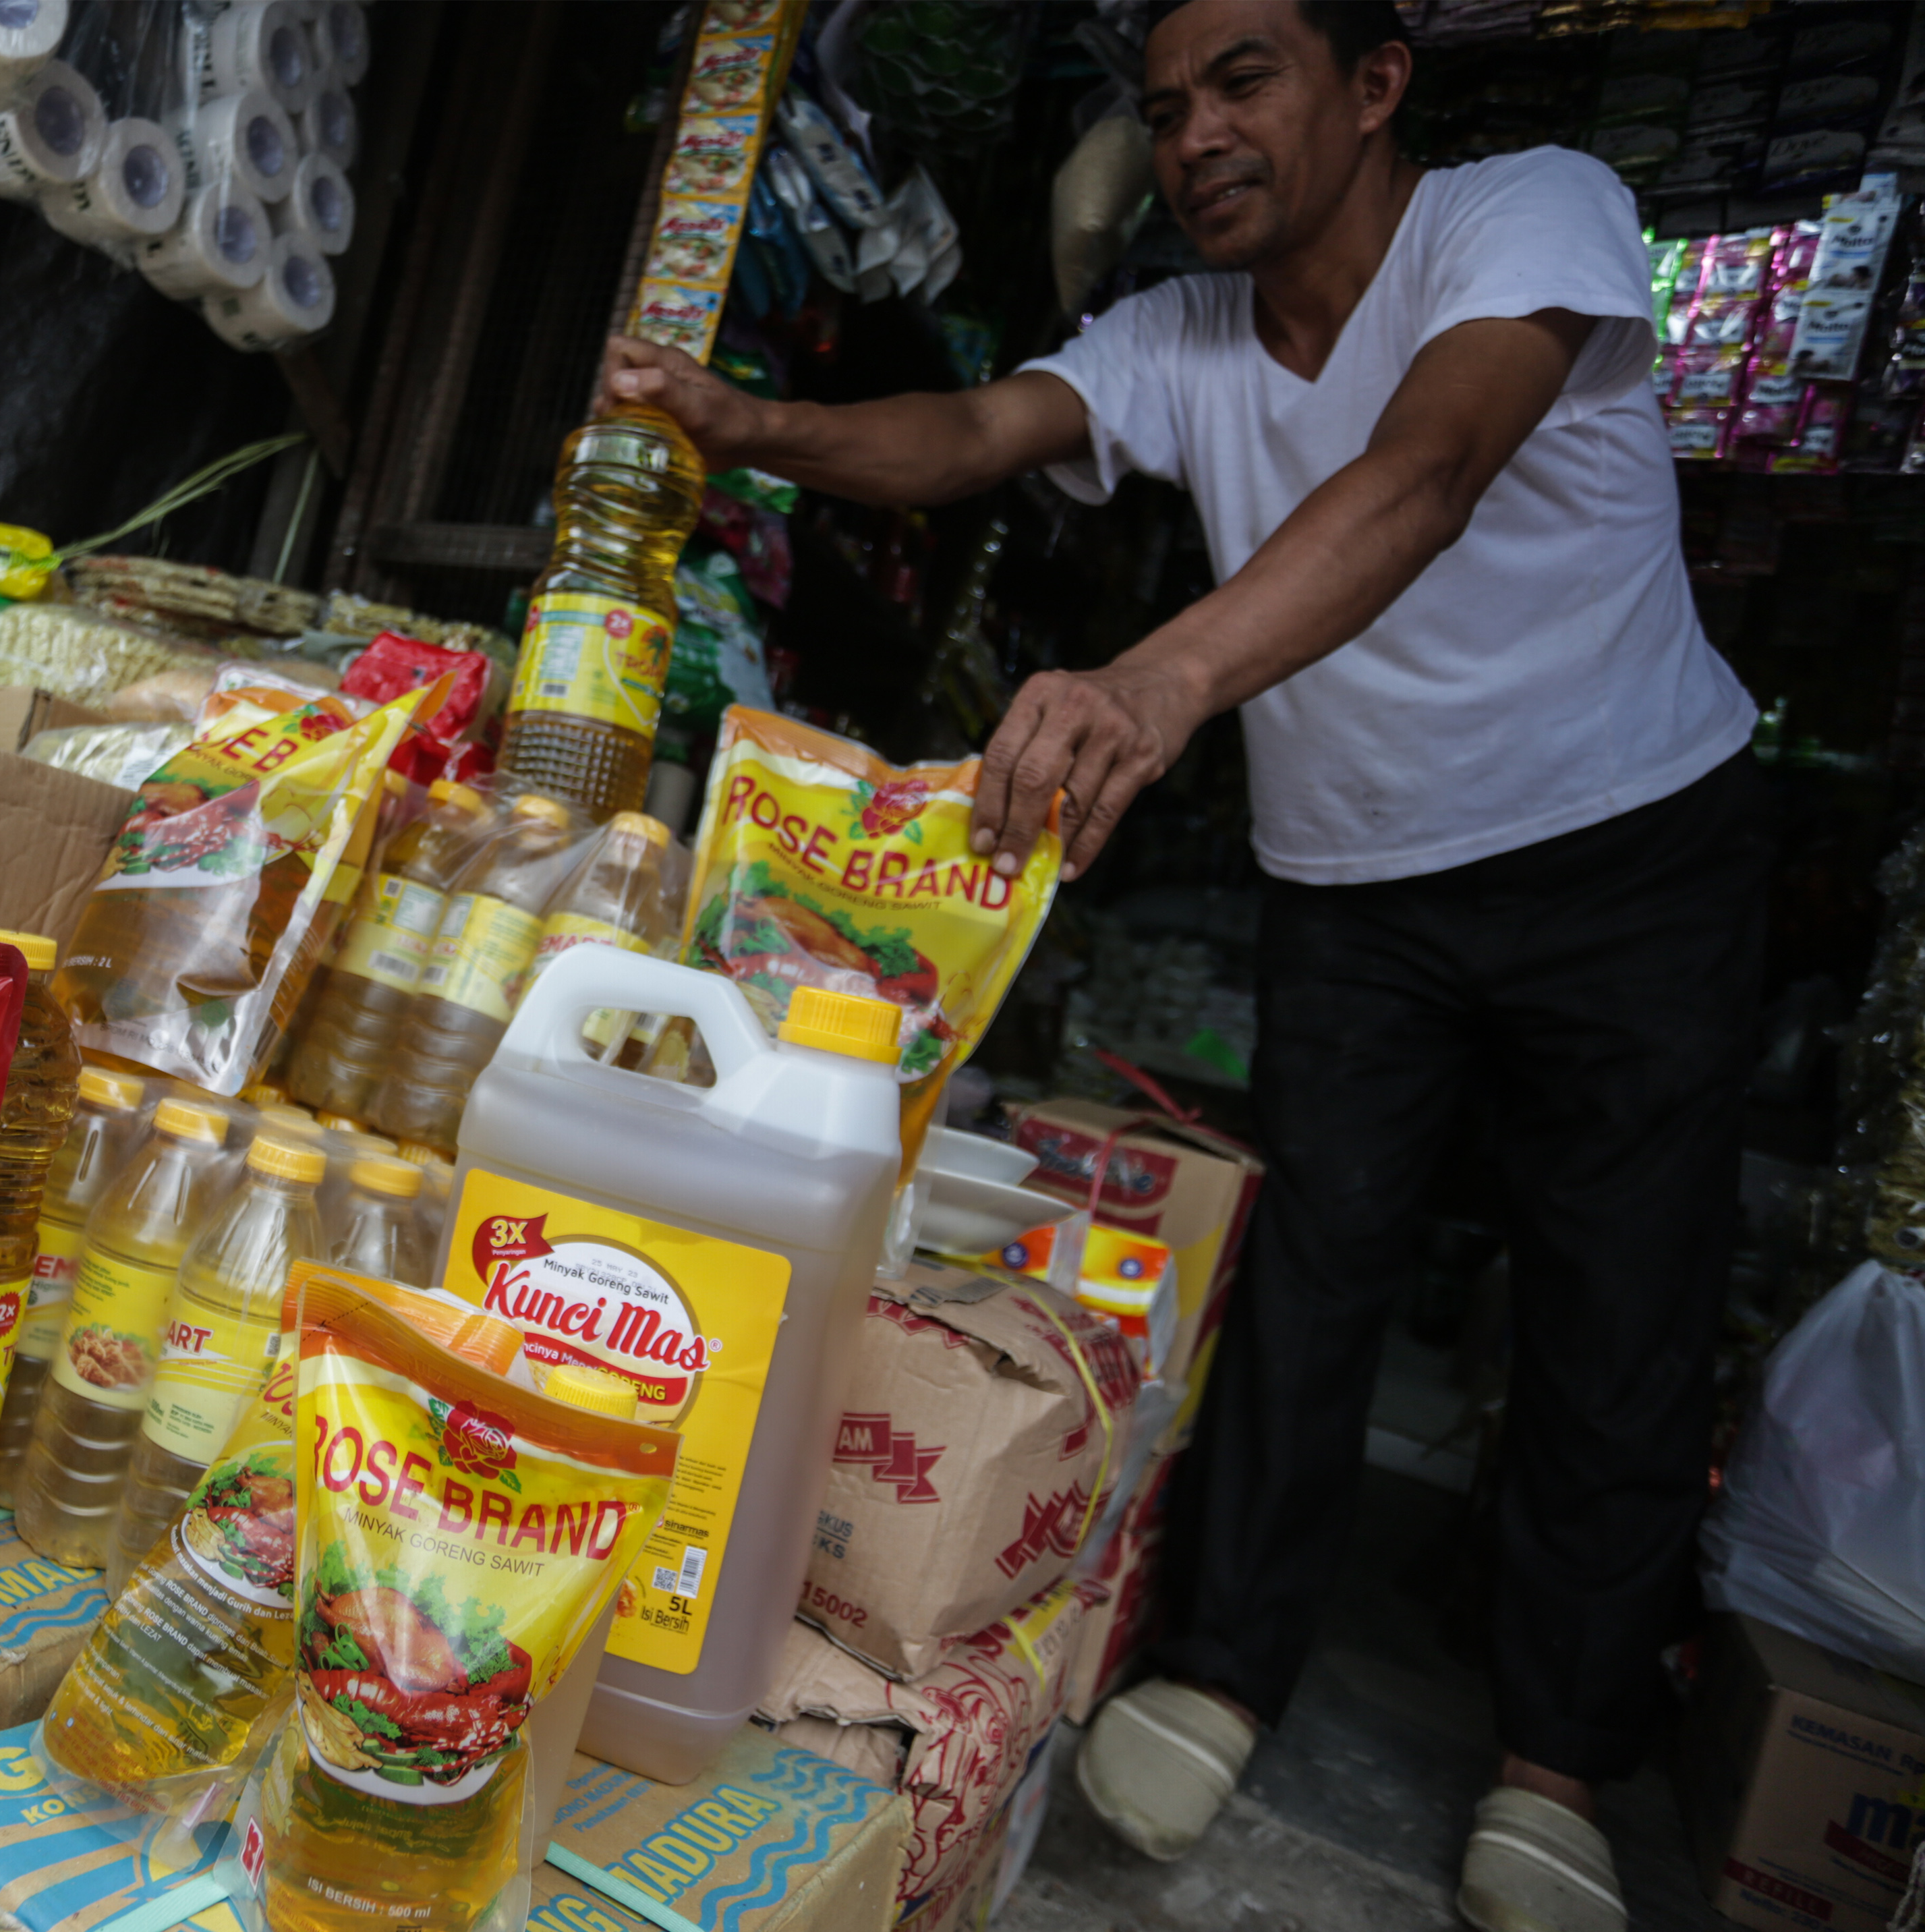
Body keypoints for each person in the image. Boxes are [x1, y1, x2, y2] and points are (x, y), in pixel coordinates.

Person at [598, 3, 1767, 1928]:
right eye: (1160, 109)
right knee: (1307, 1274)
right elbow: (979, 433)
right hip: (1357, 880)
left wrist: (1156, 683)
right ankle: (1223, 1673)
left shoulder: (1525, 216)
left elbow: (1426, 471)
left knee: (1617, 1296)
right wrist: (754, 427)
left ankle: (1557, 1762)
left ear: (1374, 84)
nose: (1193, 135)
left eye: (1242, 81)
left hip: (1627, 846)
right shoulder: (1180, 334)